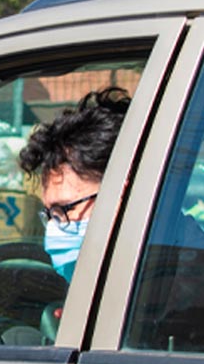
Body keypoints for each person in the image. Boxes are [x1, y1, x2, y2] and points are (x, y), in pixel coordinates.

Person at [18, 86, 131, 281]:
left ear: (123, 196)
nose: (53, 229)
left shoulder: (176, 284)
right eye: (50, 215)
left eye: (65, 209)